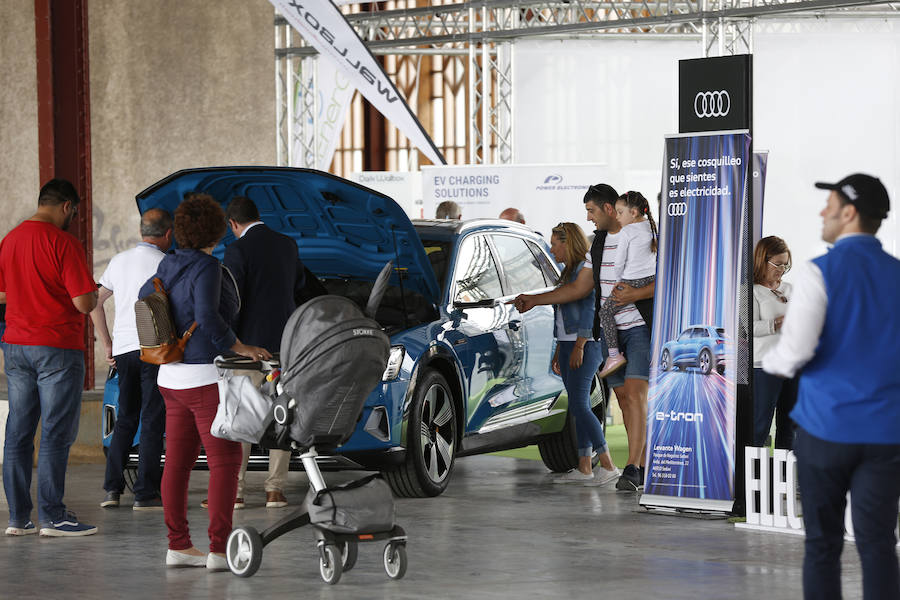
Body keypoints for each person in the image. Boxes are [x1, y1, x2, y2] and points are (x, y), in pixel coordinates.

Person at [762, 173, 900, 600]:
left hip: (826, 430)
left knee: (822, 545)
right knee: (879, 544)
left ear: (849, 213)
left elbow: (795, 352)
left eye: (831, 203)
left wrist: (768, 359)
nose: (823, 211)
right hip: (886, 432)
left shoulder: (820, 272)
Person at [142, 194, 271, 570]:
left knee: (177, 464)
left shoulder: (167, 264)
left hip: (170, 376)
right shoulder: (208, 267)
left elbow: (143, 297)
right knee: (225, 462)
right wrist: (241, 346)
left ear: (180, 230)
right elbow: (209, 319)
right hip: (203, 378)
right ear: (216, 230)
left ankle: (178, 545)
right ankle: (218, 550)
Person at [513, 183, 653, 492]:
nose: (588, 218)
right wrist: (535, 300)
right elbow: (580, 289)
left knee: (633, 393)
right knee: (623, 398)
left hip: (639, 327)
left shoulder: (643, 237)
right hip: (608, 333)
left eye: (591, 211)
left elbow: (663, 281)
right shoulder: (599, 243)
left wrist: (635, 294)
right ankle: (634, 466)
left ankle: (632, 467)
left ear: (608, 210)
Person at [0, 178, 98, 536]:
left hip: (16, 346)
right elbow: (84, 303)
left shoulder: (9, 240)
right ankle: (54, 516)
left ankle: (18, 519)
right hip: (56, 347)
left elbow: (2, 294)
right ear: (67, 207)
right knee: (56, 433)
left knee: (19, 433)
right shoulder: (64, 243)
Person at [222, 195, 312, 509]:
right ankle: (275, 490)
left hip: (248, 348)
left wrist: (228, 340)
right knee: (282, 415)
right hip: (285, 347)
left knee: (243, 416)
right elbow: (299, 283)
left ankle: (236, 491)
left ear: (233, 224)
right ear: (258, 215)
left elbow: (230, 297)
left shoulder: (236, 250)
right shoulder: (287, 244)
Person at [92, 209, 173, 510]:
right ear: (167, 234)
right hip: (154, 350)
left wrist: (107, 343)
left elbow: (94, 302)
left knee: (126, 418)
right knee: (152, 420)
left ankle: (112, 490)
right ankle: (146, 493)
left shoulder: (118, 260)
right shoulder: (166, 264)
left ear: (142, 232)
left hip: (124, 350)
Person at [527, 223, 619, 485]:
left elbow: (590, 311)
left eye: (555, 243)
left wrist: (579, 345)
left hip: (585, 344)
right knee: (578, 406)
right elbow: (561, 317)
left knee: (579, 404)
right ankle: (584, 466)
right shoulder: (568, 272)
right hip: (569, 344)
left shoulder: (582, 272)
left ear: (568, 243)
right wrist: (560, 348)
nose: (552, 248)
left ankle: (608, 464)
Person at [596, 191, 658, 378]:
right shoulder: (651, 227)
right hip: (649, 279)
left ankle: (614, 355)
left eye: (620, 212)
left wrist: (618, 282)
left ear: (634, 212)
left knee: (605, 312)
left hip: (631, 280)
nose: (617, 216)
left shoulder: (628, 231)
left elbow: (618, 262)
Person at [751, 235, 797, 449]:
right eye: (777, 264)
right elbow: (746, 329)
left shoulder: (790, 289)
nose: (781, 270)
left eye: (785, 265)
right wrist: (776, 324)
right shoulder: (750, 291)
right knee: (760, 425)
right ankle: (753, 479)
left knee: (789, 426)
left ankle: (785, 480)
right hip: (764, 367)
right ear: (762, 260)